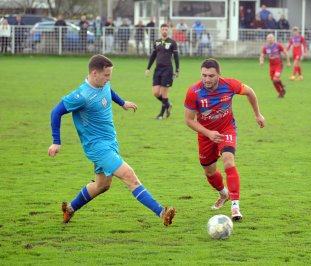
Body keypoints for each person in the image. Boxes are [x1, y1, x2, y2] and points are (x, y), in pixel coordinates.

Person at [48, 54, 176, 225]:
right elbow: (56, 112)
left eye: (110, 75)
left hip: (110, 142)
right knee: (130, 176)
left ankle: (70, 209)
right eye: (106, 75)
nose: (109, 79)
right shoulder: (81, 95)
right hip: (97, 147)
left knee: (102, 185)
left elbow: (108, 92)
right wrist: (56, 141)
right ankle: (161, 212)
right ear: (94, 73)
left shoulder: (103, 84)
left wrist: (122, 102)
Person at [184, 58, 265, 221]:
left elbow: (250, 92)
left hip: (226, 129)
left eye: (211, 76)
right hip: (206, 135)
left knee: (228, 161)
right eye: (204, 75)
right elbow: (189, 120)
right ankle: (224, 194)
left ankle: (235, 206)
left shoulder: (230, 85)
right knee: (209, 172)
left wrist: (257, 114)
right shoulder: (193, 92)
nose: (207, 79)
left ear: (219, 75)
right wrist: (208, 133)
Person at [145, 24, 179, 120]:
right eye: (163, 29)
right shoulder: (156, 42)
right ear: (160, 30)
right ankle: (168, 104)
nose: (164, 31)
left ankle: (161, 114)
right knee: (155, 92)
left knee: (164, 92)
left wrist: (177, 70)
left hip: (167, 70)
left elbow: (176, 57)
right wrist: (148, 68)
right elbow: (153, 55)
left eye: (166, 29)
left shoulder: (172, 42)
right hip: (157, 70)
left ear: (168, 30)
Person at [260, 34, 291, 98]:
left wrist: (288, 62)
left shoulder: (278, 45)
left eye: (271, 38)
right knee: (273, 81)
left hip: (278, 64)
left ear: (274, 39)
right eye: (268, 38)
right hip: (271, 66)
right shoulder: (266, 47)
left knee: (275, 79)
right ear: (267, 39)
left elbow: (286, 53)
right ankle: (281, 93)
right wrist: (261, 61)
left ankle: (282, 86)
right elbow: (262, 55)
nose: (270, 39)